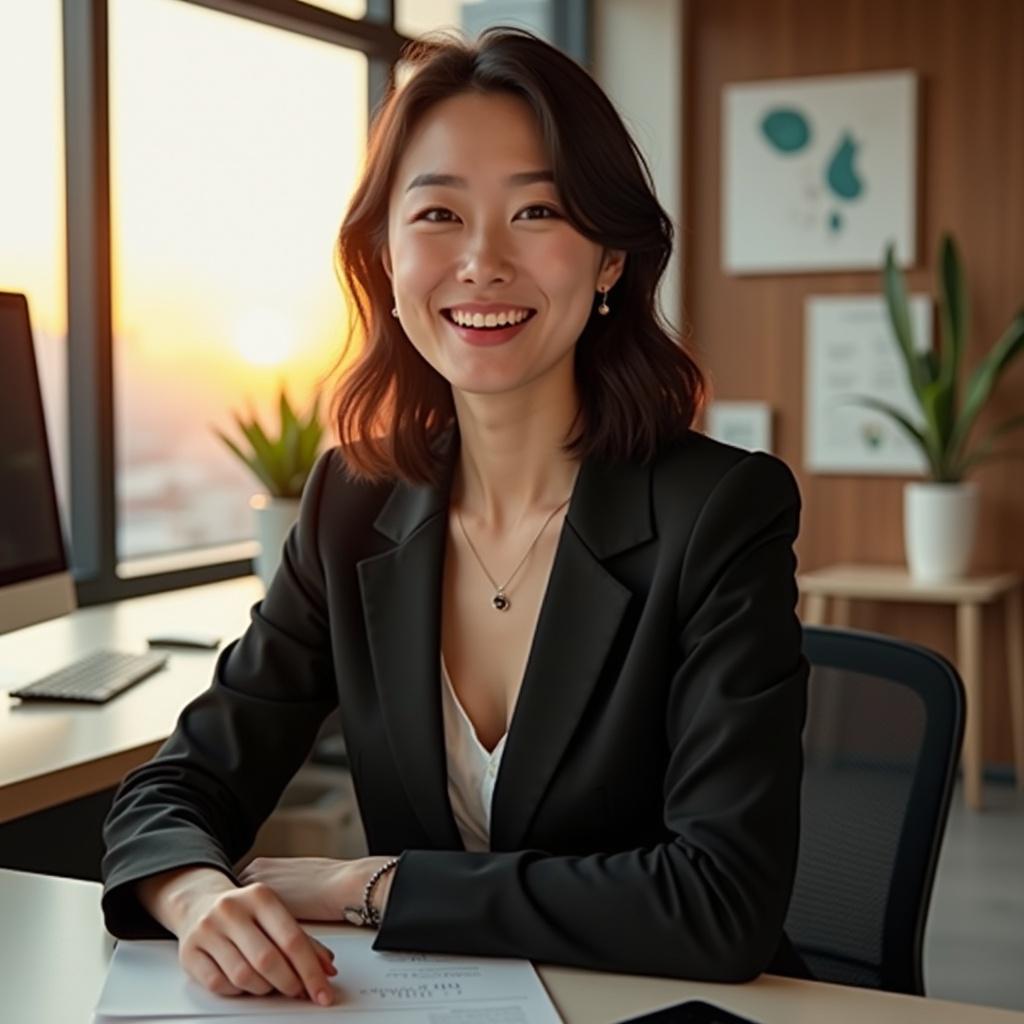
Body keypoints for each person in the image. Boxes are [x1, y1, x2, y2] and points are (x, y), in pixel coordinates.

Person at [101, 27, 810, 1008]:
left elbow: (719, 900)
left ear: (608, 257)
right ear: (385, 258)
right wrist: (190, 895)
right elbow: (181, 784)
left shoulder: (719, 512)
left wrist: (371, 885)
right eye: (437, 212)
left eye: (536, 210)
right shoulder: (353, 503)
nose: (481, 261)